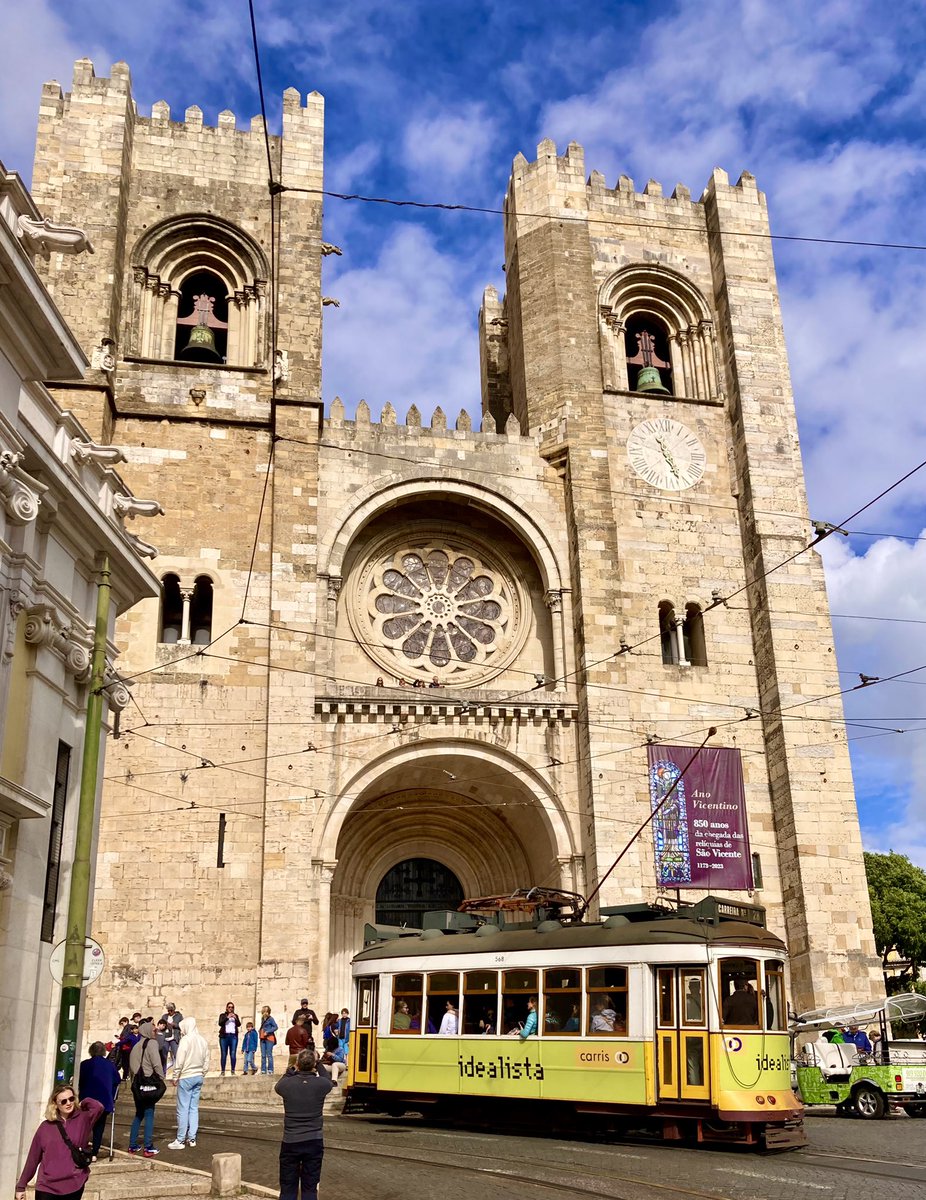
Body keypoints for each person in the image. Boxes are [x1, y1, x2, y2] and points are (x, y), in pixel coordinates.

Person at [16, 1084, 103, 1200]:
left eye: (71, 1099)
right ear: (55, 1104)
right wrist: (21, 1186)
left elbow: (98, 1107)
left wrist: (84, 1102)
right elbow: (33, 1158)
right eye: (63, 1101)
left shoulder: (83, 1119)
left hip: (74, 1184)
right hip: (47, 1187)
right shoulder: (45, 1127)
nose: (68, 1103)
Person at [275, 1048, 335, 1200]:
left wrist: (292, 1069)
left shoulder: (286, 1085)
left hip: (291, 1141)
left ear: (298, 1064)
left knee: (288, 1188)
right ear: (313, 1065)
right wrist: (319, 1062)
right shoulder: (321, 1084)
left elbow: (278, 1085)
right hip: (314, 1140)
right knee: (310, 1187)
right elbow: (328, 1080)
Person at [167, 1015, 210, 1150]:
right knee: (193, 1108)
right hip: (198, 1076)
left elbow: (179, 1059)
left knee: (182, 1108)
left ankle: (180, 1140)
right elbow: (207, 1059)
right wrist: (203, 1073)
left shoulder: (185, 1040)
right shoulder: (202, 1040)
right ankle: (192, 1138)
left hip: (186, 1077)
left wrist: (175, 1075)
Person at [77, 1042, 120, 1162]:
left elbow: (79, 1080)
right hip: (104, 1101)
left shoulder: (84, 1064)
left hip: (87, 1100)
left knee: (85, 1125)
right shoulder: (110, 1065)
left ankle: (82, 1148)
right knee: (99, 1127)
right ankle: (94, 1152)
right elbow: (117, 1080)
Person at [128, 1018, 165, 1156]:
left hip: (137, 1085)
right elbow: (157, 1063)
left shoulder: (136, 1046)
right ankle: (148, 1146)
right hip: (148, 1083)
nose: (155, 1031)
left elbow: (132, 1068)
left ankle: (132, 1145)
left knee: (139, 1114)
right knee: (149, 1113)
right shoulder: (152, 1044)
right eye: (153, 1029)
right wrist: (161, 1078)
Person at [218, 1001, 241, 1075]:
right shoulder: (222, 1015)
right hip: (224, 1037)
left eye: (232, 1007)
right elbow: (220, 1023)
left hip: (233, 1036)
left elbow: (239, 1024)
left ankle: (233, 1071)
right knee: (224, 1054)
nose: (231, 1008)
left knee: (233, 1053)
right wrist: (227, 1017)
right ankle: (223, 1071)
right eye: (229, 1007)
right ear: (227, 1008)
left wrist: (235, 1018)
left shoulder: (235, 1015)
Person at [160, 1002, 184, 1069]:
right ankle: (163, 1073)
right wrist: (165, 1025)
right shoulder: (164, 1016)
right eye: (168, 1010)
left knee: (177, 1055)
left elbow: (182, 1025)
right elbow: (160, 1024)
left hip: (174, 1038)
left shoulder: (179, 1016)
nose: (170, 1012)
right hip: (165, 1038)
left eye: (171, 1010)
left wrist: (174, 1024)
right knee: (164, 1056)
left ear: (174, 1009)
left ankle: (177, 1072)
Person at [259, 1005, 279, 1075]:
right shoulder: (262, 1019)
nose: (265, 1013)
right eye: (264, 1011)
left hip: (269, 1038)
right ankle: (263, 1070)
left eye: (267, 1011)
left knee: (269, 1054)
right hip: (262, 1038)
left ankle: (270, 1069)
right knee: (263, 1055)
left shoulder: (271, 1019)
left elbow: (276, 1027)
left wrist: (268, 1031)